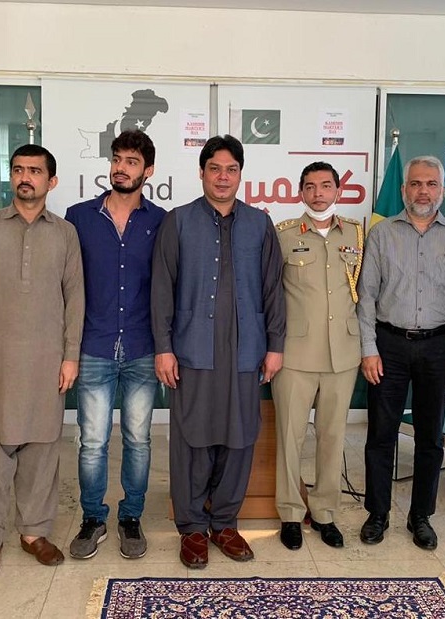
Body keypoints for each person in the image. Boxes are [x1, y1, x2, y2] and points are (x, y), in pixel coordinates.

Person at [151, 134, 285, 569]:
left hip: (246, 351)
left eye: (231, 170)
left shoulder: (259, 224)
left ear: (240, 175)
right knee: (192, 438)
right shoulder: (178, 221)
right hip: (192, 350)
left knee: (239, 437)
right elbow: (161, 289)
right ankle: (192, 527)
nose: (223, 177)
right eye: (215, 169)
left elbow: (273, 289)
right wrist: (164, 348)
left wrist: (276, 346)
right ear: (202, 173)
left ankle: (224, 523)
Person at [0, 144, 84, 578]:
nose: (25, 177)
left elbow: (75, 300)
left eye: (34, 171)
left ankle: (34, 533)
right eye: (18, 170)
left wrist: (70, 357)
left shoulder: (65, 234)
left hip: (47, 362)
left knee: (41, 450)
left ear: (52, 180)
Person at [357, 154, 445, 550]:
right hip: (388, 345)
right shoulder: (381, 234)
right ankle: (377, 513)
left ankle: (421, 516)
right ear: (403, 189)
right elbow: (366, 296)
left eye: (431, 184)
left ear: (442, 189)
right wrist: (368, 349)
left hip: (439, 346)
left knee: (431, 437)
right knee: (381, 434)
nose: (423, 191)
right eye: (415, 184)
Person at [65, 130, 166, 560]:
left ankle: (131, 518)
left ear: (148, 171)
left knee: (138, 439)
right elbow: (67, 284)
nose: (121, 168)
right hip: (94, 344)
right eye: (117, 160)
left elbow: (168, 287)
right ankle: (93, 518)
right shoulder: (79, 217)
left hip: (143, 346)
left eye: (131, 162)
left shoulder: (161, 222)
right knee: (92, 441)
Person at [272, 162, 363, 551]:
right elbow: (270, 295)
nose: (318, 193)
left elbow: (365, 294)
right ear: (300, 192)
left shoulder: (357, 234)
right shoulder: (284, 235)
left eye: (326, 185)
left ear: (338, 190)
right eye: (310, 186)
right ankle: (291, 513)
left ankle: (325, 513)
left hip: (343, 353)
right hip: (295, 354)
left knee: (332, 436)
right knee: (289, 438)